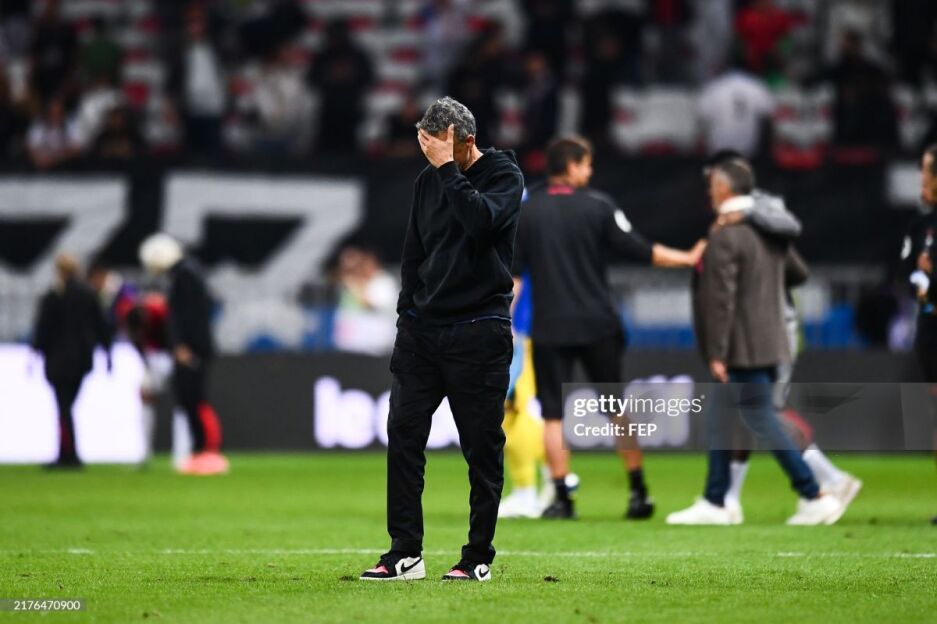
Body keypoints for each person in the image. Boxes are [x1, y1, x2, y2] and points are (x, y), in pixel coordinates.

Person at [360, 96, 523, 582]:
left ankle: (477, 557)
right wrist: (405, 313)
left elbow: (480, 222)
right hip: (422, 332)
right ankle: (405, 553)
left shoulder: (504, 176)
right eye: (425, 145)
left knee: (481, 448)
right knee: (403, 436)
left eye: (436, 146)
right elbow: (414, 252)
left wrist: (448, 169)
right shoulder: (427, 181)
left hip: (479, 330)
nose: (428, 154)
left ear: (464, 141)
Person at [512, 136, 705, 520]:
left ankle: (562, 499)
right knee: (616, 409)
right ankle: (638, 492)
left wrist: (502, 323)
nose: (590, 170)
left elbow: (514, 278)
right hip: (598, 324)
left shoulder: (527, 211)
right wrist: (687, 258)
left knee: (552, 416)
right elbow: (641, 249)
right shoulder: (599, 206)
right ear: (571, 166)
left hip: (549, 327)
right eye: (586, 164)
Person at [667, 159, 845, 525]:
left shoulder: (726, 235)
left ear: (723, 189)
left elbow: (722, 300)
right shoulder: (768, 232)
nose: (709, 192)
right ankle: (715, 501)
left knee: (760, 417)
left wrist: (717, 351)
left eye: (712, 186)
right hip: (770, 337)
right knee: (722, 417)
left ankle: (813, 494)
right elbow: (798, 272)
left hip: (740, 344)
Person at [139, 234, 227, 476]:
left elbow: (186, 316)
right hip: (192, 347)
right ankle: (201, 452)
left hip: (191, 349)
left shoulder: (184, 276)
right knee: (189, 399)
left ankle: (208, 451)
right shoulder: (187, 273)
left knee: (194, 399)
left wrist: (182, 346)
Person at [31, 254, 112, 468]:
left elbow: (43, 329)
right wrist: (108, 353)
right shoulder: (88, 294)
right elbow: (102, 326)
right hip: (81, 360)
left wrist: (35, 353)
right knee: (67, 406)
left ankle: (67, 455)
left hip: (57, 361)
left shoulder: (53, 296)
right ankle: (68, 453)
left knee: (63, 407)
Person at [904, 144, 937, 524]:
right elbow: (906, 273)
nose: (921, 180)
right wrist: (921, 278)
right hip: (931, 332)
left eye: (926, 172)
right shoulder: (920, 226)